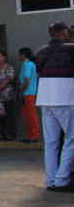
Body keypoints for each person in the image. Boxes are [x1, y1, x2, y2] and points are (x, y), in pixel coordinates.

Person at [35, 21, 74, 192]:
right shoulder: (71, 48)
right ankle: (62, 179)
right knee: (71, 139)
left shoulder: (41, 51)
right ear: (63, 32)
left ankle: (50, 180)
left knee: (51, 143)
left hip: (45, 98)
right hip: (65, 97)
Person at [18, 47, 40, 143]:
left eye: (20, 55)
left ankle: (34, 136)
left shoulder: (27, 64)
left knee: (31, 115)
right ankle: (31, 135)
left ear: (24, 55)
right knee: (27, 115)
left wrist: (21, 91)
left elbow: (26, 81)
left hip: (28, 93)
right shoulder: (30, 64)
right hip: (29, 93)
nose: (19, 57)